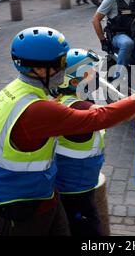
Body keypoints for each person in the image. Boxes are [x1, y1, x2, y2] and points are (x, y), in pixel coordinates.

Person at [0, 26, 135, 236]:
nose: (64, 69)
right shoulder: (38, 109)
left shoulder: (16, 89)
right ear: (40, 69)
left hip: (43, 194)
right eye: (61, 63)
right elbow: (103, 117)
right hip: (16, 203)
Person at [55, 48, 105, 236]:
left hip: (72, 182)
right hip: (76, 188)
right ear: (75, 82)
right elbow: (116, 113)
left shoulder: (61, 100)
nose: (96, 77)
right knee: (88, 231)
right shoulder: (83, 109)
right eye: (91, 74)